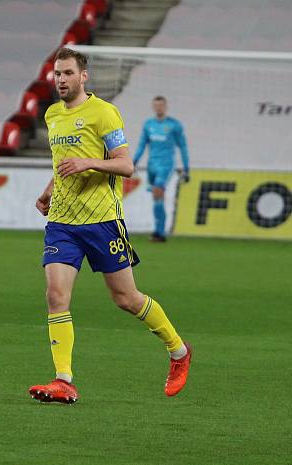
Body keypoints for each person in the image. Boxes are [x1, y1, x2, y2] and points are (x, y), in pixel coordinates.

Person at [29, 48, 192, 404]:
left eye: (67, 73)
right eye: (56, 74)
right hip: (63, 222)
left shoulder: (104, 113)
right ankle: (64, 380)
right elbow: (62, 164)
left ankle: (178, 351)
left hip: (103, 221)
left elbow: (126, 166)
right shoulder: (53, 114)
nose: (60, 80)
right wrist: (48, 191)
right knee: (56, 296)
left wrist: (88, 162)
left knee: (126, 299)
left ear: (83, 76)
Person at [132, 96, 190, 242]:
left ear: (166, 107)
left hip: (166, 165)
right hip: (152, 165)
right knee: (157, 198)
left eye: (161, 105)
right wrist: (134, 161)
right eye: (156, 105)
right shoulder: (148, 124)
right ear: (153, 107)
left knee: (158, 192)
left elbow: (182, 147)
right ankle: (159, 230)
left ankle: (160, 233)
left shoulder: (174, 125)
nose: (158, 108)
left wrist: (186, 167)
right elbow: (142, 145)